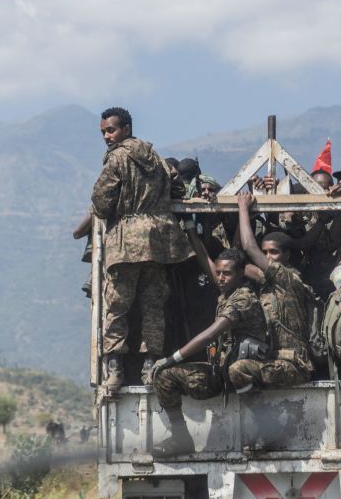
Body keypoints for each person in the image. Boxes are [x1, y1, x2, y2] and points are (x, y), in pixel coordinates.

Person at [90, 107, 194, 391]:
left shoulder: (117, 158)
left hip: (126, 243)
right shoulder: (157, 159)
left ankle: (115, 370)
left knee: (117, 307)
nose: (107, 137)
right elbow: (180, 191)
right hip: (160, 243)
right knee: (153, 307)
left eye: (110, 130)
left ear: (126, 128)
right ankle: (151, 366)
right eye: (103, 132)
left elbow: (100, 202)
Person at [150, 247, 269, 426]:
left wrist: (173, 358)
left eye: (227, 273)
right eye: (218, 273)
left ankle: (264, 425)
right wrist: (191, 230)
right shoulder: (226, 294)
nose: (220, 278)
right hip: (222, 371)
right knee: (165, 377)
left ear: (240, 274)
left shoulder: (244, 298)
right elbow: (205, 258)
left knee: (236, 370)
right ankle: (180, 437)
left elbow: (212, 333)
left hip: (244, 371)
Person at [234, 191, 314, 388]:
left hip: (295, 365)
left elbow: (248, 247)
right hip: (270, 359)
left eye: (273, 252)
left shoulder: (289, 280)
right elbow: (237, 257)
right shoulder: (266, 280)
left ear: (287, 255)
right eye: (265, 253)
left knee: (239, 370)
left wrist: (243, 209)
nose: (267, 257)